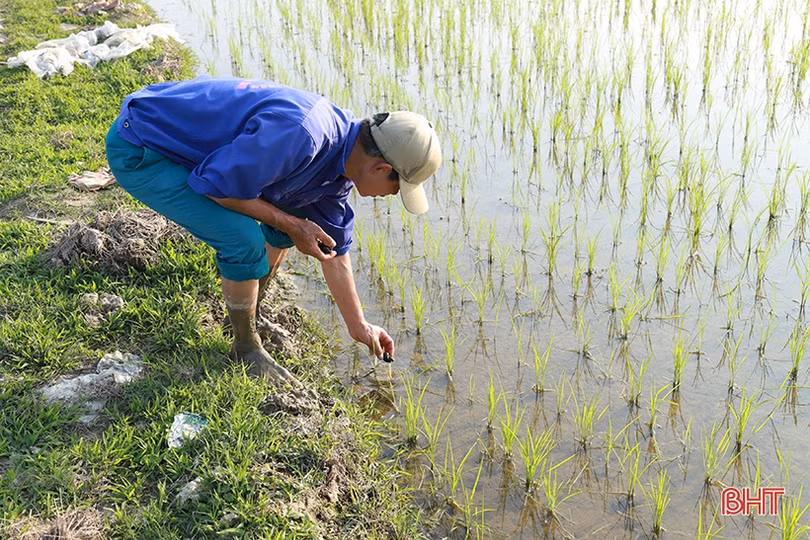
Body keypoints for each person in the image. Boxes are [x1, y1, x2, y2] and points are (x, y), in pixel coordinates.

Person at [105, 76, 441, 391]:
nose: (392, 196)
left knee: (286, 228)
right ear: (381, 168)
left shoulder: (341, 162)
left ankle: (250, 311)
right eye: (397, 188)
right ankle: (245, 346)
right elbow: (217, 188)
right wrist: (294, 225)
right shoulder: (301, 135)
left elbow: (334, 251)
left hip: (184, 145)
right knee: (244, 242)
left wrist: (359, 326)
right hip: (144, 148)